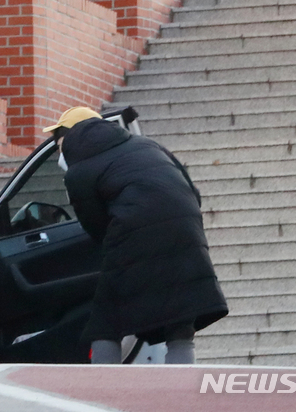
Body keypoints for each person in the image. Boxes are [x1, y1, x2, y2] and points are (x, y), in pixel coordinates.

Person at [43, 107, 229, 364]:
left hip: (132, 235)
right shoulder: (147, 145)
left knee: (106, 320)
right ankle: (182, 393)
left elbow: (96, 224)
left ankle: (101, 390)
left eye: (57, 144)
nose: (58, 152)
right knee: (180, 322)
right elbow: (192, 192)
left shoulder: (79, 170)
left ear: (68, 138)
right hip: (187, 231)